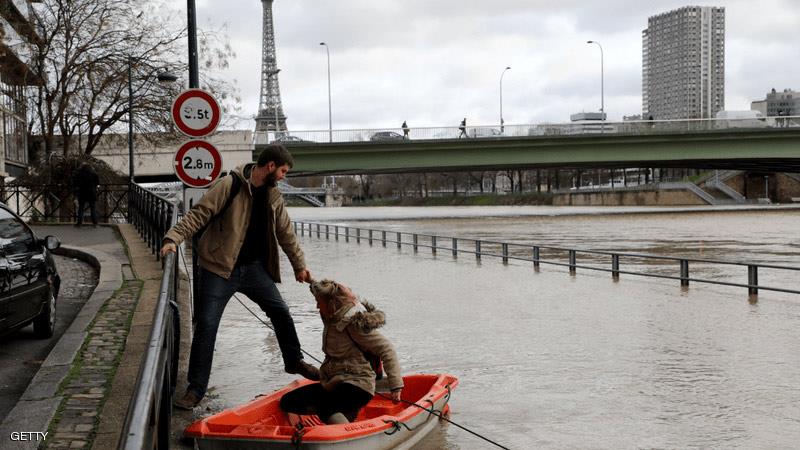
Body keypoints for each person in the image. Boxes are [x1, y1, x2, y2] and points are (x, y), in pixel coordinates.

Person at [160, 144, 320, 410]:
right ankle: (195, 390)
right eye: (282, 171)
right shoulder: (229, 184)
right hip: (219, 268)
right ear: (270, 166)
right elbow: (200, 214)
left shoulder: (274, 196)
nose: (283, 176)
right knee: (207, 325)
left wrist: (299, 266)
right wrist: (173, 238)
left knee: (281, 311)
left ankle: (294, 362)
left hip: (255, 270)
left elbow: (286, 233)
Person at [280, 279, 403, 424]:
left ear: (332, 303)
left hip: (358, 385)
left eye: (319, 302)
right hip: (334, 383)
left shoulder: (354, 323)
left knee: (326, 407)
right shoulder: (331, 318)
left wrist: (395, 386)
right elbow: (327, 287)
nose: (317, 306)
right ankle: (344, 414)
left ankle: (344, 430)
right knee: (287, 402)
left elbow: (386, 348)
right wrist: (308, 277)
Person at [73, 163, 99, 227]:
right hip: (92, 193)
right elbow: (97, 183)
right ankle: (95, 223)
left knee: (81, 208)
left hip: (82, 193)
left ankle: (79, 223)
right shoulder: (94, 174)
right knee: (93, 208)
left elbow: (76, 184)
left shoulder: (79, 174)